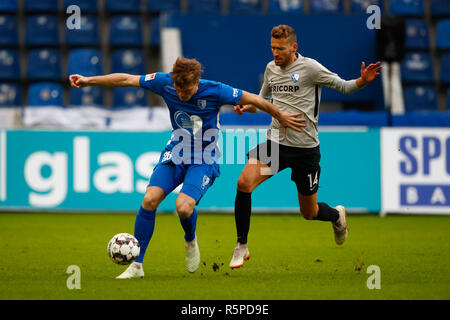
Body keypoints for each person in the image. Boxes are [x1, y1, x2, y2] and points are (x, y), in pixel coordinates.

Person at [69, 57, 306, 279]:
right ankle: (136, 265)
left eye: (187, 90)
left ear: (196, 82)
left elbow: (255, 99)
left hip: (204, 158)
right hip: (176, 152)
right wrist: (89, 80)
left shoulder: (215, 90)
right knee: (150, 199)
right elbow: (127, 79)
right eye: (178, 90)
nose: (182, 95)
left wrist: (280, 116)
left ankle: (190, 239)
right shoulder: (164, 82)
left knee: (183, 207)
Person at [229, 25, 382, 269]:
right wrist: (248, 107)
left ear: (294, 47)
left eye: (280, 48)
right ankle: (241, 245)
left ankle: (336, 216)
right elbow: (262, 101)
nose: (275, 53)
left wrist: (362, 80)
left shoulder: (310, 68)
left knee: (309, 212)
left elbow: (343, 86)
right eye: (272, 48)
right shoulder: (271, 69)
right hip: (276, 144)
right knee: (243, 183)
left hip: (305, 150)